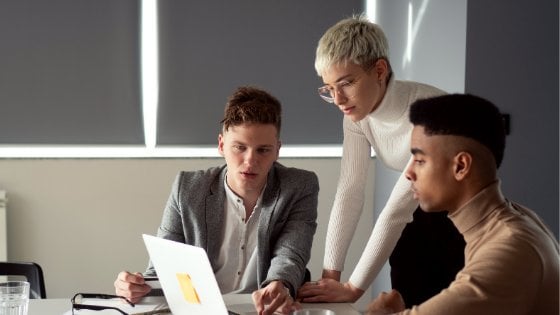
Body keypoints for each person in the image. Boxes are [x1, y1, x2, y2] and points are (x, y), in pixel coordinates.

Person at [297, 14, 465, 306]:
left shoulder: (430, 112)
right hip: (417, 219)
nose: (337, 99)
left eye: (346, 83)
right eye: (329, 88)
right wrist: (331, 276)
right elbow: (350, 190)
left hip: (461, 226)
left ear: (379, 70)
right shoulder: (356, 115)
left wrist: (353, 289)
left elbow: (395, 211)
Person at [114, 86, 319, 315]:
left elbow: (290, 254)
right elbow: (163, 268)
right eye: (240, 147)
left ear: (277, 150)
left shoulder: (299, 186)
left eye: (263, 150)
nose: (250, 161)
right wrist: (135, 286)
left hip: (265, 310)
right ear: (221, 145)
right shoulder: (188, 189)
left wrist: (279, 285)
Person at [366, 93, 560, 315]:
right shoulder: (513, 219)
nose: (409, 173)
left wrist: (380, 311)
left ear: (461, 166)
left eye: (419, 160)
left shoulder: (509, 247)